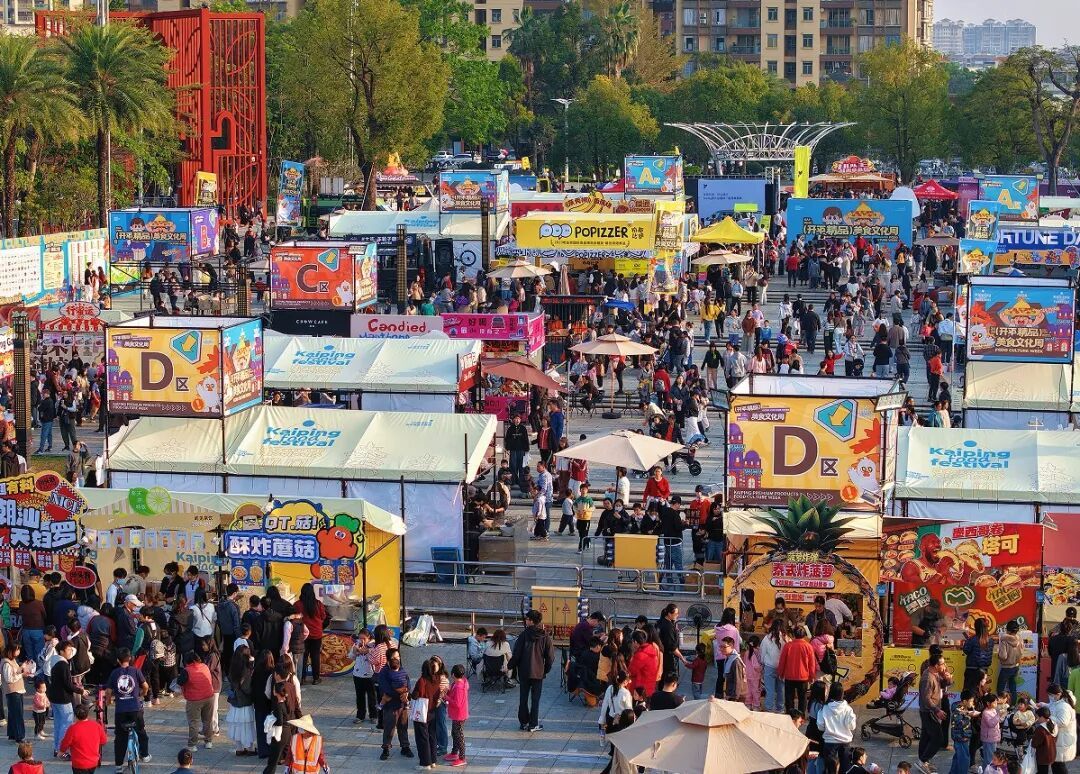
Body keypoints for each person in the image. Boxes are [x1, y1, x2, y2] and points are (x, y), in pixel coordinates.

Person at [507, 610, 554, 732]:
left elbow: (517, 654)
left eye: (527, 619)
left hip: (524, 671)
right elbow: (550, 657)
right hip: (538, 672)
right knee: (535, 699)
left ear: (531, 621)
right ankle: (533, 724)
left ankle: (523, 722)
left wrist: (509, 666)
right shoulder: (545, 636)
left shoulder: (523, 635)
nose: (525, 621)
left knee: (523, 698)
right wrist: (545, 669)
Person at [106, 648, 150, 769]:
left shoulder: (114, 673)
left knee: (120, 738)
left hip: (121, 710)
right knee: (141, 732)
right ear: (130, 658)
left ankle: (118, 766)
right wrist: (142, 694)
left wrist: (108, 701)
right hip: (135, 709)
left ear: (118, 660)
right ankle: (145, 754)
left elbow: (108, 691)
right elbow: (146, 686)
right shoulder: (136, 671)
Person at [376, 648, 412, 760]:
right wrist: (400, 694)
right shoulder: (384, 672)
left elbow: (408, 683)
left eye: (398, 657)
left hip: (402, 705)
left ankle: (405, 746)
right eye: (394, 657)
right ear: (388, 659)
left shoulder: (401, 669)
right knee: (389, 727)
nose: (397, 659)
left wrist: (406, 693)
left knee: (403, 726)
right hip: (391, 705)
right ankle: (386, 748)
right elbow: (385, 688)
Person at [48, 640, 81, 759]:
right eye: (68, 649)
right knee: (66, 724)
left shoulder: (55, 660)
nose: (70, 651)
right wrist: (80, 690)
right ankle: (62, 750)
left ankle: (57, 748)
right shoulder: (63, 664)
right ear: (61, 651)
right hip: (63, 698)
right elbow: (68, 684)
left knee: (58, 724)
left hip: (54, 696)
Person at [177, 652, 215, 750]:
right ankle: (208, 742)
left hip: (194, 699)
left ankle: (192, 745)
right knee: (207, 720)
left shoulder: (187, 670)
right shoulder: (205, 666)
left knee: (194, 722)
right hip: (209, 697)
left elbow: (179, 682)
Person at [918, 653, 948, 774]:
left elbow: (944, 685)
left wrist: (946, 678)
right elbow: (926, 698)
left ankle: (923, 761)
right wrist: (937, 710)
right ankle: (923, 760)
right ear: (936, 665)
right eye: (943, 664)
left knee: (926, 736)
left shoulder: (935, 674)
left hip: (930, 711)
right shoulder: (928, 678)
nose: (945, 665)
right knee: (937, 738)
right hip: (928, 712)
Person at [225, 643, 257, 756]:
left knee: (237, 726)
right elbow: (247, 688)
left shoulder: (233, 668)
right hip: (245, 702)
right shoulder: (247, 670)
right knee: (247, 727)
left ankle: (239, 748)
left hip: (235, 702)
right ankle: (250, 748)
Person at [778, 626, 817, 714]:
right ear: (804, 635)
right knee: (802, 698)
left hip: (789, 675)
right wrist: (812, 676)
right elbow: (812, 664)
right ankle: (801, 715)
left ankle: (790, 714)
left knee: (789, 697)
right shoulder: (808, 646)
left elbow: (782, 661)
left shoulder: (788, 646)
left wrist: (780, 673)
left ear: (793, 634)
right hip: (803, 676)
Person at [58, 705, 106, 774]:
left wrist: (61, 752)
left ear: (75, 716)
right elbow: (103, 741)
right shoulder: (96, 725)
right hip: (93, 762)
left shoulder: (73, 728)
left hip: (79, 763)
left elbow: (65, 743)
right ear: (87, 714)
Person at [410, 660, 440, 770]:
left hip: (422, 712)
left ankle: (425, 763)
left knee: (422, 737)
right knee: (432, 736)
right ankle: (433, 760)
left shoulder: (422, 681)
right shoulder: (436, 679)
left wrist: (409, 694)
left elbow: (415, 695)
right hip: (432, 711)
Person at [294, 584, 327, 685]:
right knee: (315, 656)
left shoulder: (297, 604)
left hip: (303, 634)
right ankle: (316, 678)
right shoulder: (318, 604)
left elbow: (295, 618)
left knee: (303, 657)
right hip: (316, 634)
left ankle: (302, 678)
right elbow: (323, 616)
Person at [819, 681, 856, 772]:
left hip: (829, 742)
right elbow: (852, 726)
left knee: (830, 769)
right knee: (845, 769)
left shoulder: (824, 708)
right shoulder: (848, 709)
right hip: (845, 741)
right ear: (842, 693)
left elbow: (820, 726)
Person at [761, 618, 788, 713]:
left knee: (770, 689)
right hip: (782, 667)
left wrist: (763, 663)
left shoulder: (767, 638)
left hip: (769, 666)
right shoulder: (786, 639)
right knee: (781, 689)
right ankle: (780, 708)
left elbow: (762, 653)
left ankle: (769, 708)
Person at [350, 630, 377, 724]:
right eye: (360, 638)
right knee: (359, 696)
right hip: (357, 674)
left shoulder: (374, 645)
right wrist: (355, 651)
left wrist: (368, 651)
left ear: (369, 637)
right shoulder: (356, 644)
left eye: (364, 638)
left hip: (370, 674)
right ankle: (360, 715)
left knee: (372, 696)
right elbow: (351, 657)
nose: (362, 640)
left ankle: (373, 715)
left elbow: (375, 659)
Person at [444, 664, 469, 768]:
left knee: (459, 735)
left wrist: (446, 698)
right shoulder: (459, 683)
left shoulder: (459, 687)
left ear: (453, 674)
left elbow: (457, 703)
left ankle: (462, 757)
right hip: (457, 714)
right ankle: (454, 752)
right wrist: (448, 692)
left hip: (459, 715)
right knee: (454, 733)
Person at [1048, 683, 1077, 769]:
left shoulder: (1064, 706)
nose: (1050, 697)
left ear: (1058, 694)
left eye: (1051, 695)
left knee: (1059, 765)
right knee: (1056, 765)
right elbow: (1053, 709)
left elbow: (1063, 722)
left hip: (1062, 740)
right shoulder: (1057, 702)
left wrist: (1047, 716)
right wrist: (1043, 705)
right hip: (1059, 739)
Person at [2, 645, 26, 744]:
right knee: (17, 714)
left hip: (17, 690)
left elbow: (15, 672)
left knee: (13, 714)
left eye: (19, 649)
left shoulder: (13, 660)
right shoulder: (6, 663)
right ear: (10, 651)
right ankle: (19, 736)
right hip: (13, 691)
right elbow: (9, 679)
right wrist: (21, 673)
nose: (18, 651)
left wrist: (21, 669)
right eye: (17, 650)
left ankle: (12, 734)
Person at [996, 620, 1022, 703]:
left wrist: (998, 655)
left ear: (1008, 630)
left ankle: (1001, 705)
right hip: (1016, 666)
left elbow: (1003, 656)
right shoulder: (1019, 639)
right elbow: (1021, 653)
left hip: (1006, 667)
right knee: (1012, 688)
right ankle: (1013, 705)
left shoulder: (1004, 640)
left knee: (1000, 689)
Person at [716, 637, 746, 703]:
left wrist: (734, 698)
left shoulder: (735, 661)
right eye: (721, 647)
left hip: (734, 697)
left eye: (724, 647)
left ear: (732, 646)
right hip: (729, 693)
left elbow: (738, 681)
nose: (721, 649)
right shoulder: (729, 658)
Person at [1032, 705, 1059, 774]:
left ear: (1041, 717)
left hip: (1042, 755)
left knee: (1042, 771)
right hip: (1052, 753)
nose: (1036, 719)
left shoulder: (1040, 729)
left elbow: (1034, 744)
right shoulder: (1054, 724)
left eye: (1037, 717)